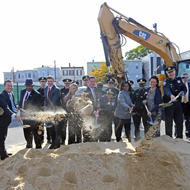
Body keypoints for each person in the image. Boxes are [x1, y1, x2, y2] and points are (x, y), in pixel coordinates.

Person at [163, 66, 187, 139]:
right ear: (167, 74)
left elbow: (184, 88)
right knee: (169, 122)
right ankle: (169, 138)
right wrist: (171, 95)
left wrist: (183, 92)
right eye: (169, 73)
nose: (171, 74)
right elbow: (166, 89)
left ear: (175, 72)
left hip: (178, 104)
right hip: (169, 104)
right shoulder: (166, 81)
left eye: (172, 72)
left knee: (179, 121)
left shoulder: (179, 80)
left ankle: (179, 138)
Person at [19, 79, 43, 149]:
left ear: (32, 86)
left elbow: (38, 108)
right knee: (26, 131)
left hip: (33, 117)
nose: (29, 87)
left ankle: (38, 147)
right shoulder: (22, 92)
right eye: (27, 86)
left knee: (36, 133)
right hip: (24, 117)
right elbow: (21, 101)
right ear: (25, 86)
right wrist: (19, 107)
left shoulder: (37, 94)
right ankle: (29, 145)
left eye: (30, 86)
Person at [0, 93, 20, 160]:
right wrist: (14, 115)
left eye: (11, 86)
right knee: (2, 137)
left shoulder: (12, 94)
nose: (10, 87)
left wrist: (16, 108)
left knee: (3, 137)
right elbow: (6, 107)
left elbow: (12, 105)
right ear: (4, 86)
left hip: (7, 120)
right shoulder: (2, 95)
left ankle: (3, 151)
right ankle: (3, 155)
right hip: (2, 120)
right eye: (8, 85)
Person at [44, 76, 61, 148]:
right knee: (50, 128)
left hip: (54, 112)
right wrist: (44, 106)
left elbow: (54, 101)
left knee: (55, 128)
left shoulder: (56, 90)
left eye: (51, 81)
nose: (49, 82)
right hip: (48, 112)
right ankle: (53, 143)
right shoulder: (45, 89)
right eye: (48, 81)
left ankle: (57, 144)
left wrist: (47, 108)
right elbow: (45, 99)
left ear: (53, 81)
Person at [60, 78, 72, 145]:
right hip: (63, 111)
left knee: (71, 127)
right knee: (63, 127)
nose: (67, 84)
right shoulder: (61, 90)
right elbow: (62, 100)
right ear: (64, 84)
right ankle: (63, 141)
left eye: (68, 83)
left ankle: (70, 141)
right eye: (66, 83)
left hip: (71, 112)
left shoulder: (73, 90)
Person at [37, 77, 47, 144]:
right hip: (41, 111)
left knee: (49, 125)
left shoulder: (48, 89)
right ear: (40, 83)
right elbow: (36, 102)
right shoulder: (37, 91)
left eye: (44, 82)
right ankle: (41, 139)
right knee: (40, 126)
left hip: (48, 110)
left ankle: (49, 139)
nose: (43, 83)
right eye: (41, 82)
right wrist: (41, 107)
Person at [181, 73, 190, 138]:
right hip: (180, 104)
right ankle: (177, 134)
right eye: (183, 78)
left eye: (186, 77)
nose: (185, 79)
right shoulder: (179, 85)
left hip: (188, 104)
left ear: (188, 78)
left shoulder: (189, 85)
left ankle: (188, 133)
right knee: (179, 119)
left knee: (188, 119)